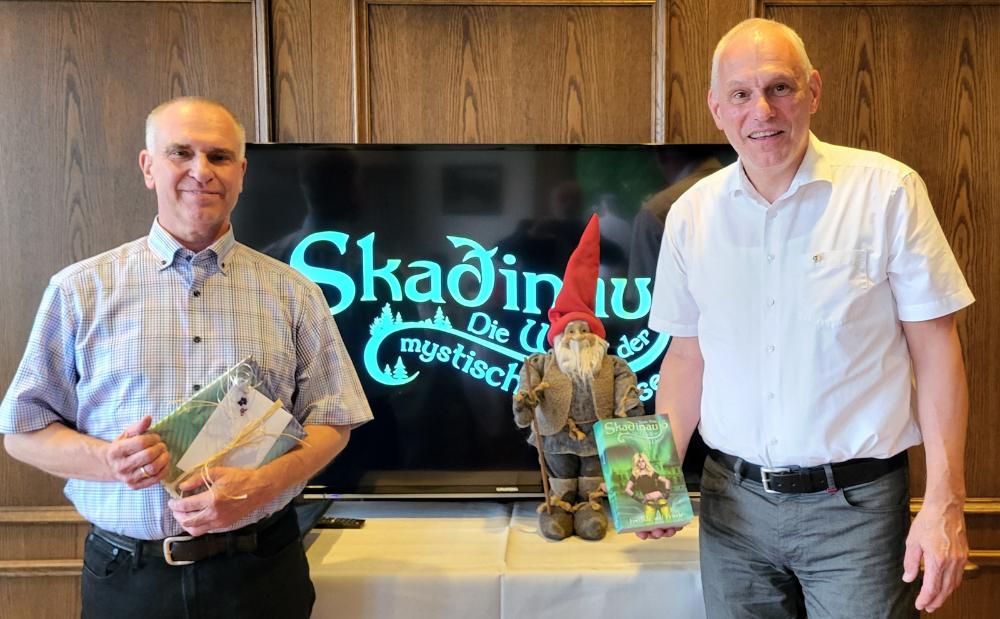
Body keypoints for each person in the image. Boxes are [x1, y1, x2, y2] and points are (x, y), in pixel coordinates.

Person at [642, 18, 973, 618]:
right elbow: (686, 357)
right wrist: (654, 482)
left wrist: (945, 500)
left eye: (780, 88)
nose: (762, 111)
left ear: (813, 91)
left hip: (858, 514)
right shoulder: (690, 215)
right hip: (731, 509)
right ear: (717, 108)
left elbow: (937, 348)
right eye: (741, 94)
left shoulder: (888, 191)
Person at [0, 96, 374, 618]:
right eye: (181, 153)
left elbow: (334, 420)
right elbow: (21, 431)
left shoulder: (294, 292)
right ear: (148, 167)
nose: (202, 171)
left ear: (241, 173)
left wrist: (262, 484)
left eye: (219, 157)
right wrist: (107, 461)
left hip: (261, 572)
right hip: (128, 579)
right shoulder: (79, 291)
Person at [513, 214, 644, 541]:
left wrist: (628, 407)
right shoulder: (540, 363)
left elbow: (626, 389)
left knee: (591, 473)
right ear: (558, 338)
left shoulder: (612, 365)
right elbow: (527, 387)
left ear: (597, 337)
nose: (578, 336)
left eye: (584, 330)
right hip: (555, 433)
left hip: (597, 434)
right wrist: (525, 402)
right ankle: (559, 507)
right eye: (570, 331)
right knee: (561, 474)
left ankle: (589, 507)